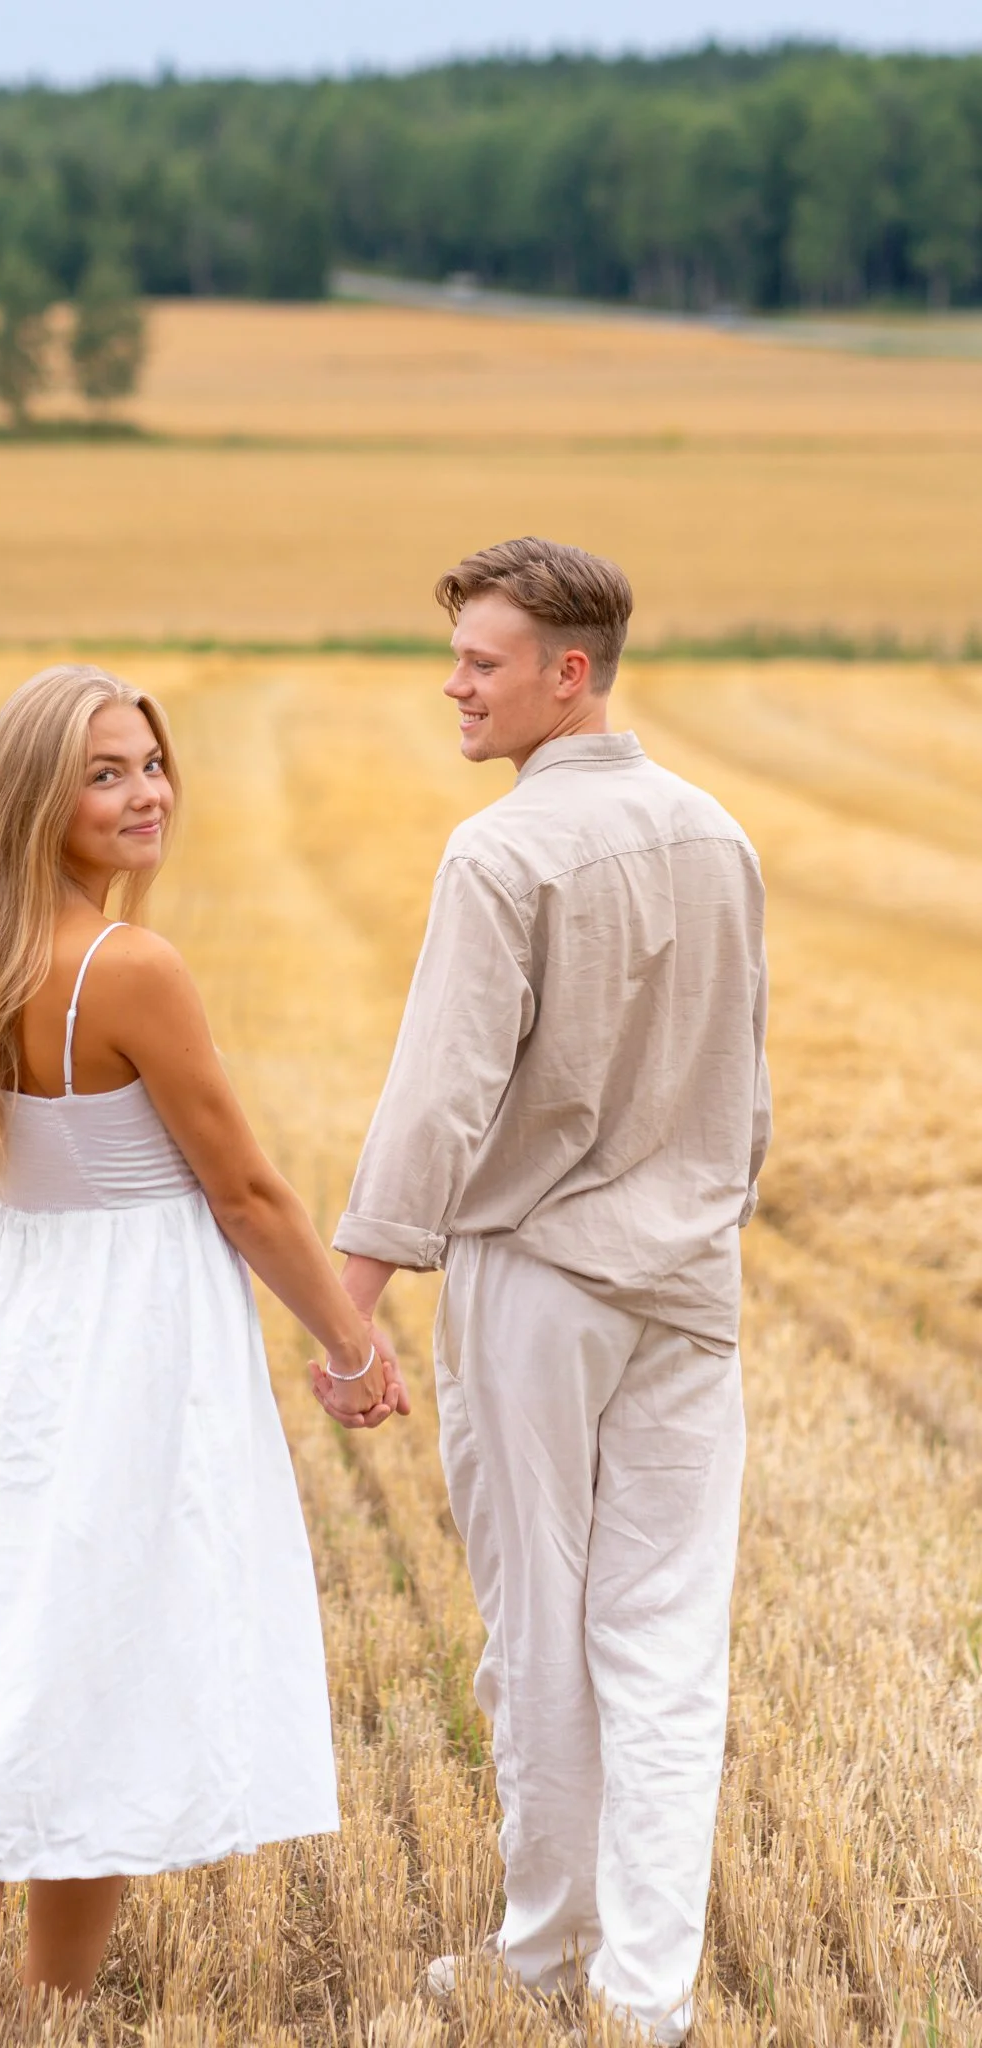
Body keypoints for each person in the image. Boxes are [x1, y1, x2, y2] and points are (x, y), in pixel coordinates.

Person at [0, 664, 405, 2048]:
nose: (146, 791)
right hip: (131, 1339)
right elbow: (247, 1194)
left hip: (5, 1321)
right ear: (38, 798)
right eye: (105, 772)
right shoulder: (128, 967)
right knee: (100, 1649)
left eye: (152, 763)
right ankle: (34, 2006)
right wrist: (352, 1345)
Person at [319, 537, 770, 2044]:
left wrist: (352, 1299)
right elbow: (744, 1095)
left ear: (569, 674)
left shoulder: (498, 853)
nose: (455, 684)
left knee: (539, 1635)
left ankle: (539, 1954)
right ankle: (649, 1999)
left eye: (484, 661)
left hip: (538, 1287)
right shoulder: (719, 834)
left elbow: (437, 1100)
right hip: (689, 1286)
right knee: (664, 1636)